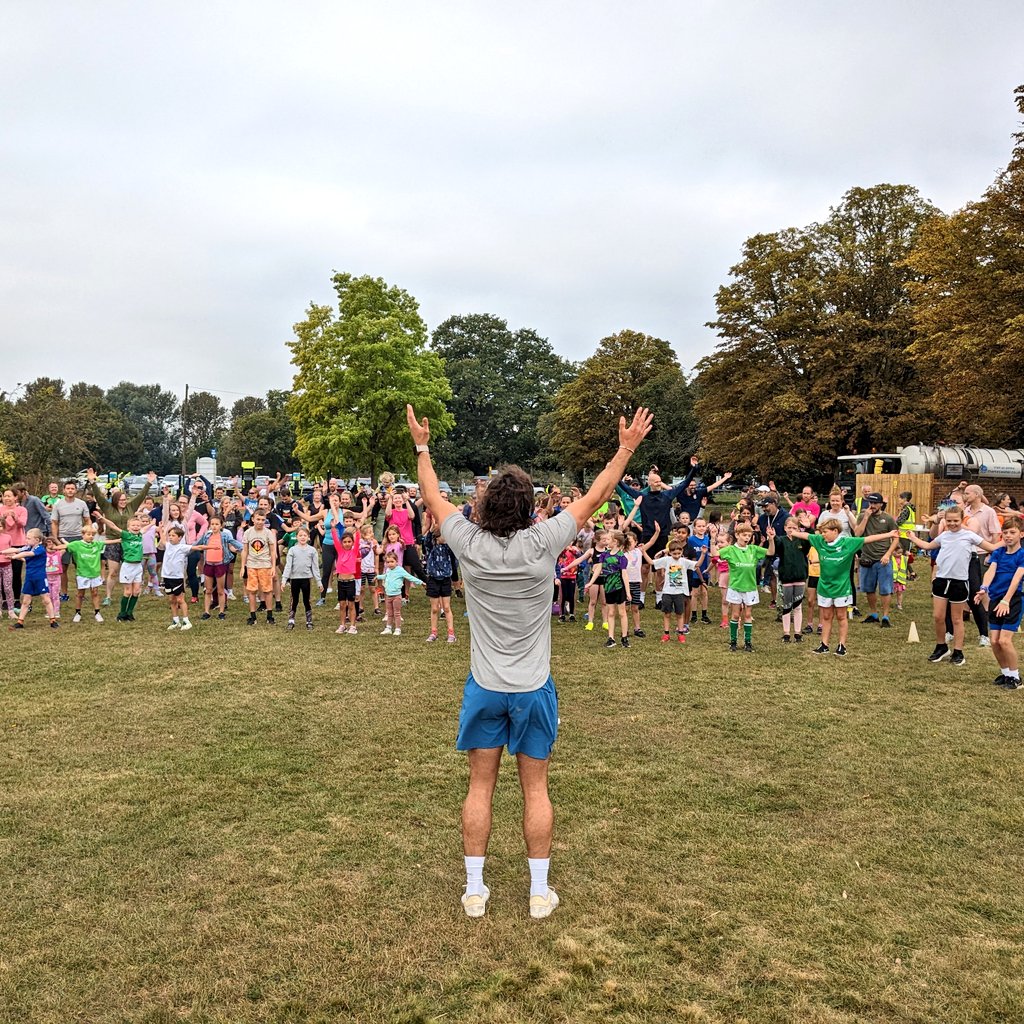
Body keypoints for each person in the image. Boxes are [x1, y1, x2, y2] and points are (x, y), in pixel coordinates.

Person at [408, 401, 653, 920]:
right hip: (532, 686)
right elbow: (597, 495)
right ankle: (538, 893)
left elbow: (431, 496)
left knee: (480, 787)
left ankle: (475, 891)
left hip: (485, 685)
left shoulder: (468, 541)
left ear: (486, 505)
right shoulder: (544, 540)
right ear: (528, 510)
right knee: (535, 788)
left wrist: (422, 447)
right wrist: (625, 448)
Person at [789, 519, 899, 656]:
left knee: (841, 616)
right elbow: (806, 535)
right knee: (826, 617)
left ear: (835, 531)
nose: (822, 535)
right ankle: (824, 645)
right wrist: (792, 532)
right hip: (824, 587)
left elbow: (868, 539)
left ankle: (842, 645)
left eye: (825, 532)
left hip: (842, 588)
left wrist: (889, 534)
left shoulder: (848, 543)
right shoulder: (820, 541)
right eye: (822, 532)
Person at [908, 505, 997, 667]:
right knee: (938, 616)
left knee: (957, 619)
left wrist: (1009, 540)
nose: (952, 524)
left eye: (956, 520)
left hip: (959, 582)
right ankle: (941, 647)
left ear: (962, 520)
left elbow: (991, 547)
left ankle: (958, 651)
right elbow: (927, 546)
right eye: (949, 521)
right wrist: (913, 538)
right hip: (942, 580)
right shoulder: (944, 536)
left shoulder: (969, 536)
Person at [975, 515, 1024, 689]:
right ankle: (1006, 674)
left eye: (1012, 532)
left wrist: (1006, 600)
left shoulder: (1022, 555)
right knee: (995, 641)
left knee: (1004, 641)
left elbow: (1016, 579)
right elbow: (991, 572)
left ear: (1021, 534)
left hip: (1013, 599)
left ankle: (1016, 678)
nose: (1008, 536)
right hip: (996, 599)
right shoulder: (998, 552)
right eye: (1005, 532)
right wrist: (984, 588)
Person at [713, 523, 775, 653]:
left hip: (750, 588)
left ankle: (748, 642)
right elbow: (715, 554)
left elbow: (770, 552)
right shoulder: (731, 550)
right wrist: (713, 539)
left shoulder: (753, 549)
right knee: (735, 615)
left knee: (748, 614)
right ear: (737, 535)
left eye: (749, 535)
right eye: (744, 535)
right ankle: (733, 641)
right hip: (736, 587)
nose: (747, 537)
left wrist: (771, 539)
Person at [58, 522, 120, 623]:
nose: (91, 536)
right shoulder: (77, 545)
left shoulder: (96, 544)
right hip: (82, 573)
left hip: (94, 574)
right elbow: (64, 547)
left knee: (95, 592)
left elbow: (107, 542)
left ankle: (97, 612)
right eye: (88, 534)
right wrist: (50, 547)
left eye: (93, 535)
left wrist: (120, 540)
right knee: (80, 594)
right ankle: (78, 613)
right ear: (83, 535)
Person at [853, 492, 900, 627]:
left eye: (875, 503)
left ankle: (885, 616)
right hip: (867, 558)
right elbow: (857, 534)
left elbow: (896, 538)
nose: (872, 505)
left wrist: (888, 554)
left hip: (883, 559)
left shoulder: (888, 519)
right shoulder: (863, 516)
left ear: (880, 504)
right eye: (870, 503)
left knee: (885, 589)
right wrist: (866, 517)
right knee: (869, 589)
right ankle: (873, 614)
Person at [645, 537, 699, 643]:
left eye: (679, 553)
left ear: (682, 552)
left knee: (680, 614)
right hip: (667, 592)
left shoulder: (684, 561)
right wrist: (643, 552)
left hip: (680, 592)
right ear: (670, 552)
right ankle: (666, 633)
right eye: (674, 554)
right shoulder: (666, 560)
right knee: (667, 613)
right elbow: (651, 562)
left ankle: (681, 633)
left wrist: (703, 554)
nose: (677, 556)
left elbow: (697, 564)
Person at [584, 530, 631, 649]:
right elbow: (598, 570)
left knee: (622, 613)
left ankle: (624, 637)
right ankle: (611, 638)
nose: (606, 541)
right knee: (610, 612)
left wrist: (628, 592)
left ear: (615, 542)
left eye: (608, 539)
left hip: (619, 588)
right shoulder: (604, 555)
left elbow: (624, 575)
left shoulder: (621, 557)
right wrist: (591, 582)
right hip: (608, 588)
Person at [4, 529, 58, 629]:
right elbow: (16, 550)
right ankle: (20, 622)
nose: (26, 540)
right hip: (29, 578)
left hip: (40, 578)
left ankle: (53, 620)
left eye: (29, 538)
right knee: (25, 601)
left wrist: (14, 557)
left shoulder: (40, 549)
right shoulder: (28, 547)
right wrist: (2, 552)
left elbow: (27, 554)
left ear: (37, 540)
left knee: (46, 599)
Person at [50, 480, 91, 599]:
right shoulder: (58, 504)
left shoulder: (82, 504)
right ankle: (64, 593)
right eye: (68, 488)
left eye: (72, 488)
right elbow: (54, 523)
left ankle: (81, 593)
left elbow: (87, 520)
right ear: (64, 490)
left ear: (76, 490)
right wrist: (56, 539)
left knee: (80, 566)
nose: (70, 491)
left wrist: (87, 535)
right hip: (63, 538)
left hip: (79, 537)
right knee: (63, 567)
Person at [776, 516, 810, 643]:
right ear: (785, 528)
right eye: (789, 527)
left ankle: (797, 632)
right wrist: (771, 537)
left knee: (797, 605)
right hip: (786, 577)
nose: (791, 530)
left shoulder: (802, 541)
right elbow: (774, 546)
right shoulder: (781, 540)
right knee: (787, 605)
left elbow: (811, 540)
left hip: (800, 576)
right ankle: (786, 633)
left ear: (799, 529)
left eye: (794, 528)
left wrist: (807, 528)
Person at [281, 527, 322, 630]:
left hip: (306, 579)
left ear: (308, 537)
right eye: (300, 535)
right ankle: (291, 619)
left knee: (306, 600)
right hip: (295, 579)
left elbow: (315, 567)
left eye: (305, 535)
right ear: (296, 537)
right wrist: (284, 580)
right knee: (294, 599)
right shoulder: (292, 550)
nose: (303, 537)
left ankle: (309, 620)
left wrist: (319, 582)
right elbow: (288, 566)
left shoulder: (312, 550)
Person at [242, 511, 278, 626]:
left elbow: (273, 551)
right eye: (258, 519)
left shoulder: (268, 533)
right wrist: (243, 566)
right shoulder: (248, 532)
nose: (260, 522)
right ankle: (253, 616)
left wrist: (273, 566)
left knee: (267, 590)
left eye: (263, 520)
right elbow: (245, 550)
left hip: (265, 565)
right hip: (251, 565)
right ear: (253, 519)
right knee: (252, 591)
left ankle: (270, 616)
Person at [376, 551, 424, 635]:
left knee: (397, 613)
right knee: (389, 613)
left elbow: (410, 577)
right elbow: (385, 576)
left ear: (396, 561)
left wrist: (421, 582)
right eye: (388, 562)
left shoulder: (400, 570)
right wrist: (377, 577)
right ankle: (388, 628)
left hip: (396, 596)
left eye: (392, 562)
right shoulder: (388, 570)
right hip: (388, 595)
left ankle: (398, 628)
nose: (390, 564)